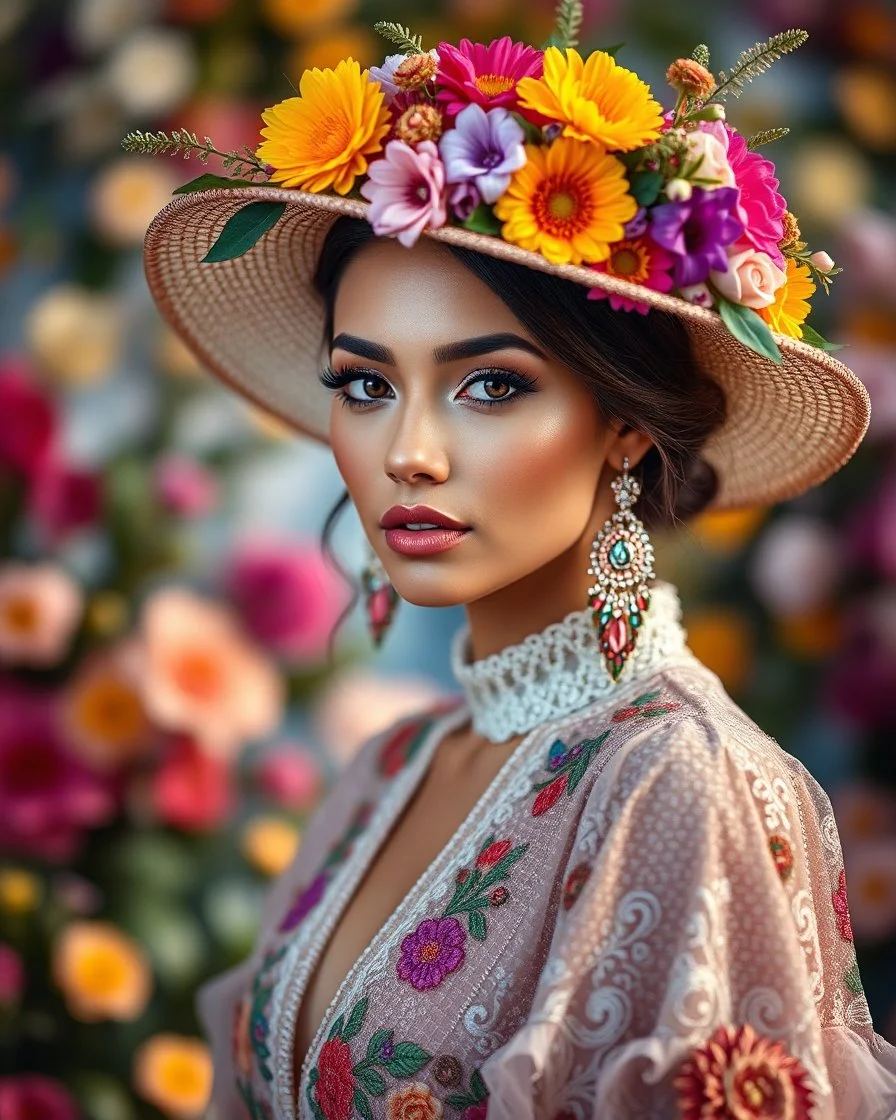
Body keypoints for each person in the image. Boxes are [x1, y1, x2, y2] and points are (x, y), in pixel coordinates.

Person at [132, 8, 896, 1118]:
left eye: (489, 384)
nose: (408, 453)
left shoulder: (680, 779)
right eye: (364, 383)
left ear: (624, 424)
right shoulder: (390, 767)